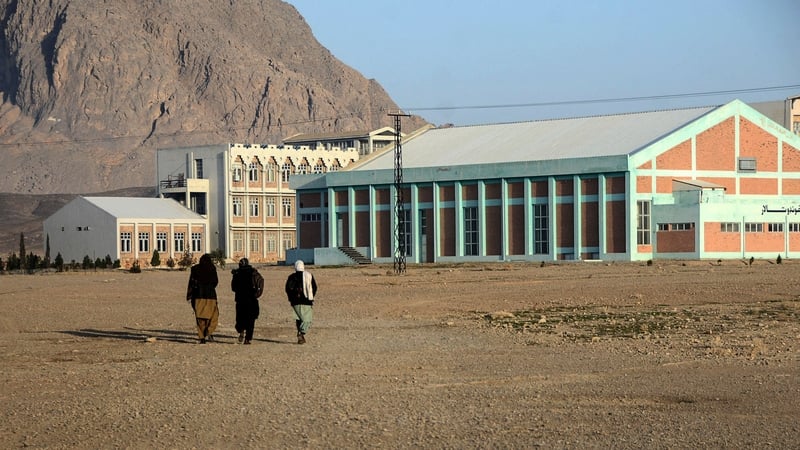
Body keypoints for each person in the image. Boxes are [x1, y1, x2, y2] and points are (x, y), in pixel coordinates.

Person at [186, 253, 219, 344]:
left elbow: (191, 284)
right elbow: (215, 282)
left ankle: (202, 337)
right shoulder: (212, 268)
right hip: (210, 296)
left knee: (200, 318)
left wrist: (189, 295)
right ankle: (209, 331)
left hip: (198, 296)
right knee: (213, 315)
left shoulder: (195, 269)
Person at [230, 258, 264, 345]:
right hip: (251, 300)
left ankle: (241, 331)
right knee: (250, 320)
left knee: (240, 318)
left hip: (240, 300)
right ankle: (247, 339)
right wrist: (257, 294)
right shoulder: (253, 273)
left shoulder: (237, 273)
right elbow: (260, 281)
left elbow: (233, 288)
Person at [285, 260, 317, 344]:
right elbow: (314, 287)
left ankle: (300, 335)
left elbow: (287, 289)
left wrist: (291, 299)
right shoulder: (309, 275)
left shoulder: (291, 277)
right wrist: (311, 296)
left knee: (299, 319)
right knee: (307, 319)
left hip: (295, 302)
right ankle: (301, 333)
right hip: (306, 301)